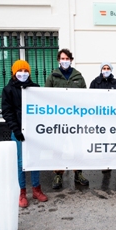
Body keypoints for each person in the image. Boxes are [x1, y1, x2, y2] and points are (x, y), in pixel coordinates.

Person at [2, 60, 48, 208]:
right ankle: (21, 192)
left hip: (34, 131)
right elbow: (7, 112)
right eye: (19, 70)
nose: (23, 73)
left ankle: (36, 189)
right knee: (21, 163)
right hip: (18, 132)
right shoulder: (8, 90)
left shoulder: (35, 88)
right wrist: (16, 129)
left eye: (25, 70)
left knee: (35, 160)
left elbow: (42, 109)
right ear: (14, 72)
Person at [45, 48, 89, 189]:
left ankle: (78, 173)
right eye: (62, 59)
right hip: (58, 120)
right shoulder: (53, 77)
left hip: (75, 120)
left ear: (71, 60)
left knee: (77, 147)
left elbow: (84, 98)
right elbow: (46, 97)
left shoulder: (78, 77)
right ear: (59, 60)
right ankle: (58, 174)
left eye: (67, 58)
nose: (65, 61)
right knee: (58, 147)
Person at [90, 62, 116, 175]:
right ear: (101, 69)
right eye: (104, 68)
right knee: (104, 140)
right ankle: (106, 164)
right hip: (100, 117)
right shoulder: (95, 83)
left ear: (111, 70)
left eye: (108, 68)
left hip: (115, 118)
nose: (106, 70)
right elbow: (89, 99)